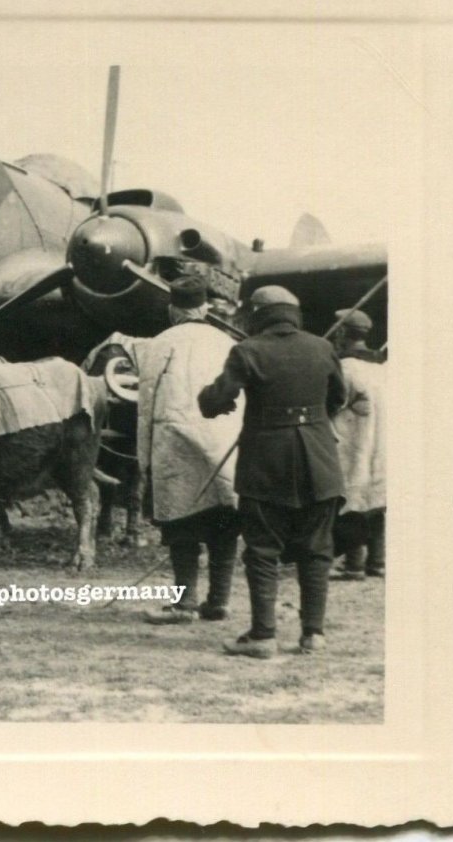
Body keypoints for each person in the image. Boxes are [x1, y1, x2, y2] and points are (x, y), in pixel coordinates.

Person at [198, 285, 346, 658]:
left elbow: (216, 400)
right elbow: (338, 398)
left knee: (262, 548)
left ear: (258, 314)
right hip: (320, 461)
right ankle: (313, 634)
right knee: (317, 549)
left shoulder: (247, 350)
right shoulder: (323, 347)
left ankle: (263, 636)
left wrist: (213, 402)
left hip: (266, 463)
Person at [118, 275, 243, 624]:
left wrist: (144, 456)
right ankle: (218, 601)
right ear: (205, 307)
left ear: (173, 309)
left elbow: (146, 403)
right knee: (224, 520)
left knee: (181, 521)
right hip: (221, 442)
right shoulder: (227, 342)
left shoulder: (160, 344)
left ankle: (185, 601)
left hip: (174, 442)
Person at [329, 309, 387, 579]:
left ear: (341, 332)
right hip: (381, 444)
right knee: (377, 499)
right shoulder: (383, 369)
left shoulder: (346, 369)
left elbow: (332, 404)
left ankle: (354, 563)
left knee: (353, 500)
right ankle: (377, 561)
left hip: (355, 443)